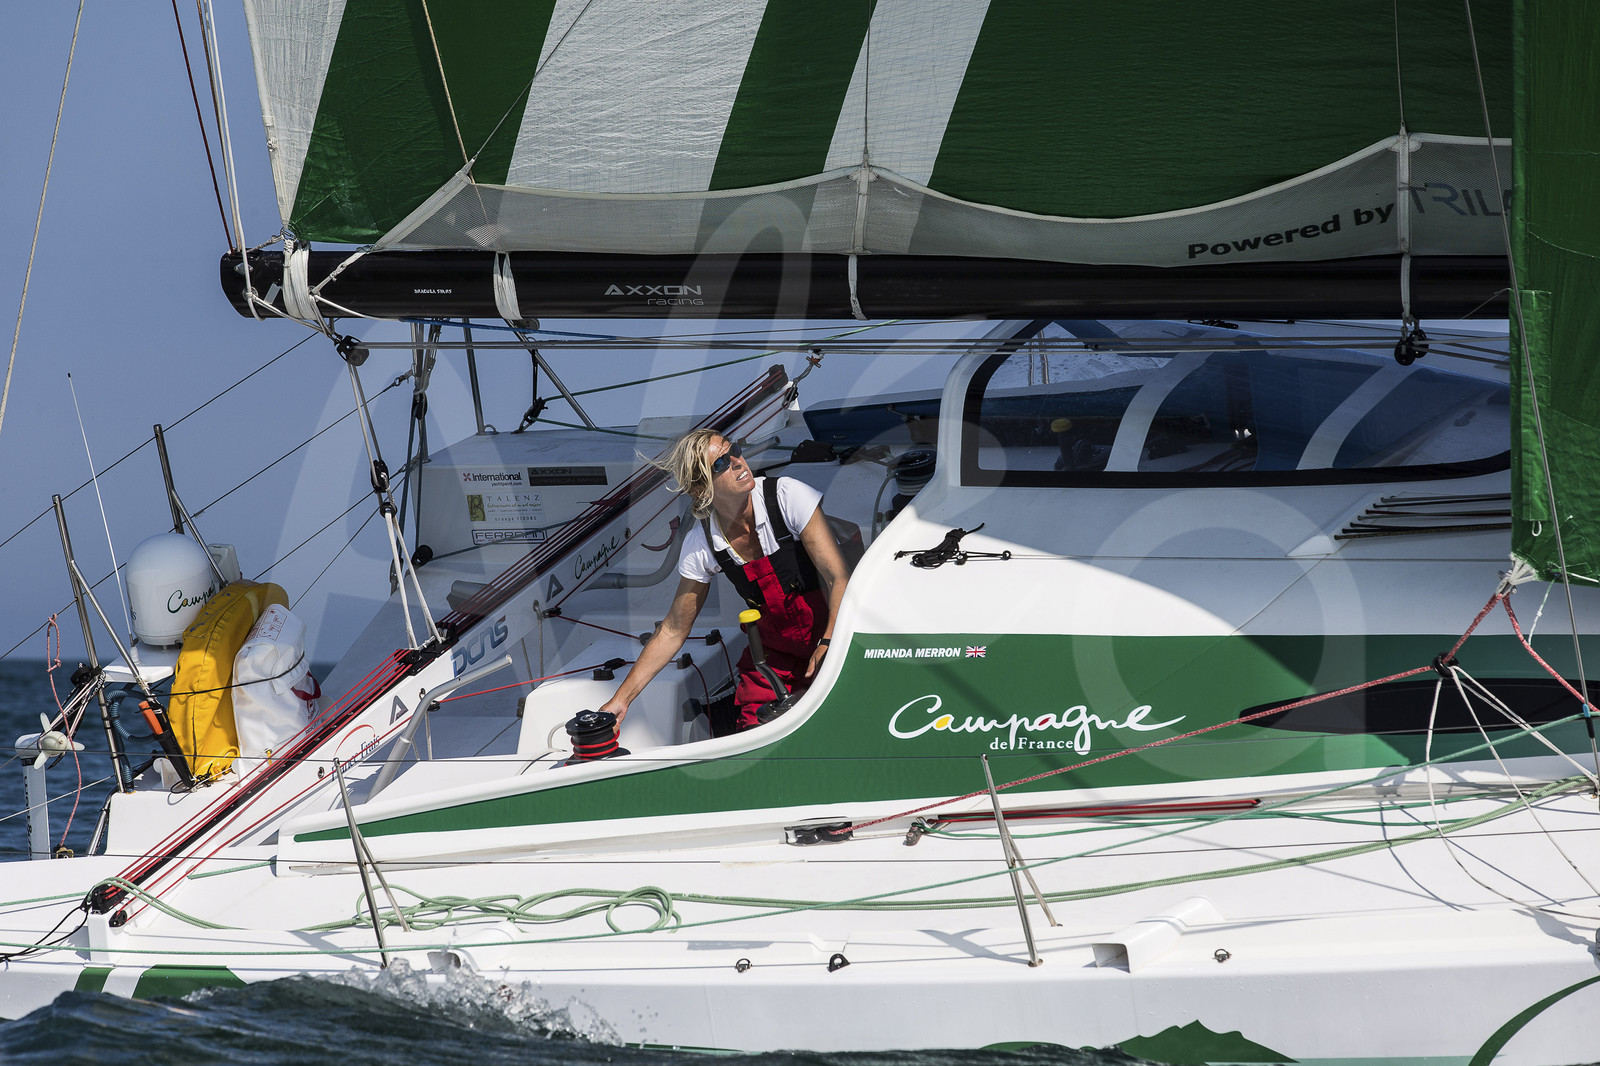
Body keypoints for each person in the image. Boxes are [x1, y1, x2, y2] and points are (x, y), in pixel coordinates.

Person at [600, 429, 850, 733]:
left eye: (735, 450)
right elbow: (674, 629)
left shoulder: (787, 496)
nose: (737, 462)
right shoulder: (702, 542)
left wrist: (829, 643)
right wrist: (621, 700)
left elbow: (839, 577)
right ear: (700, 488)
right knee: (752, 733)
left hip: (835, 636)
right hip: (773, 659)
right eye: (720, 464)